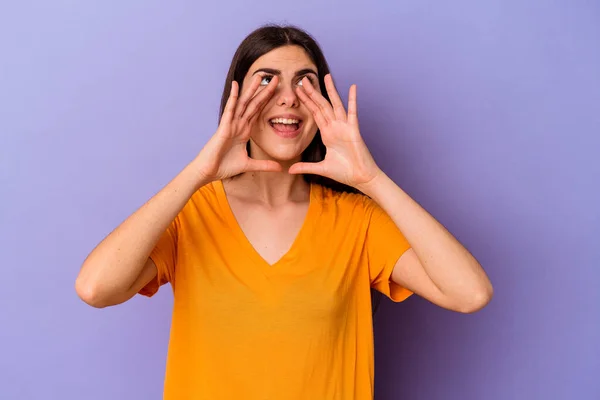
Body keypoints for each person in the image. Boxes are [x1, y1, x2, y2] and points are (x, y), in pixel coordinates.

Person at [75, 24, 493, 400]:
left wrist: (372, 180)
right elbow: (96, 288)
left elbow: (470, 293)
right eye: (267, 82)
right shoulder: (191, 215)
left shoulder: (356, 219)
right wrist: (198, 173)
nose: (289, 98)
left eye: (305, 84)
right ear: (236, 100)